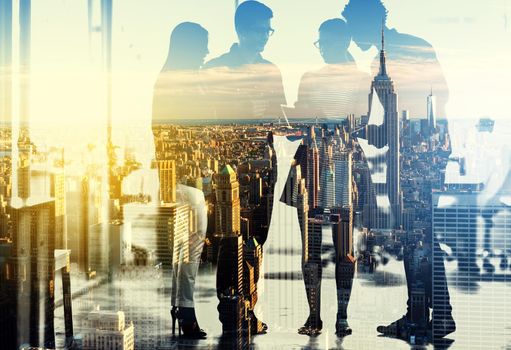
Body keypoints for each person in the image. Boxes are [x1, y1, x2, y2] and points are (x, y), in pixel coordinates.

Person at [341, 0, 455, 340]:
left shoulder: (417, 48)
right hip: (417, 184)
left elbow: (448, 102)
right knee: (416, 245)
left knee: (418, 248)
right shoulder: (404, 57)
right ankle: (426, 317)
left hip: (426, 185)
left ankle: (422, 317)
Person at [202, 0, 286, 335]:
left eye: (269, 29)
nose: (267, 35)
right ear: (243, 29)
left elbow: (277, 123)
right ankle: (231, 312)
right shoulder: (217, 68)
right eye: (262, 28)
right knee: (227, 242)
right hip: (232, 173)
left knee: (255, 244)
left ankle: (247, 309)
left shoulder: (270, 70)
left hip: (262, 170)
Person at [291, 18, 370, 337]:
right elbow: (361, 121)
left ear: (337, 42)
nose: (321, 48)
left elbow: (302, 116)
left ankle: (319, 317)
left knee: (314, 248)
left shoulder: (313, 77)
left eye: (323, 41)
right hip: (338, 163)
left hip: (319, 163)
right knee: (341, 247)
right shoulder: (360, 78)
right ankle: (339, 317)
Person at [152, 21, 209, 339]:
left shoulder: (173, 80)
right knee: (192, 244)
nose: (206, 52)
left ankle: (182, 306)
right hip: (182, 181)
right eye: (202, 45)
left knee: (186, 247)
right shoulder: (177, 84)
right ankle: (185, 309)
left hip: (183, 177)